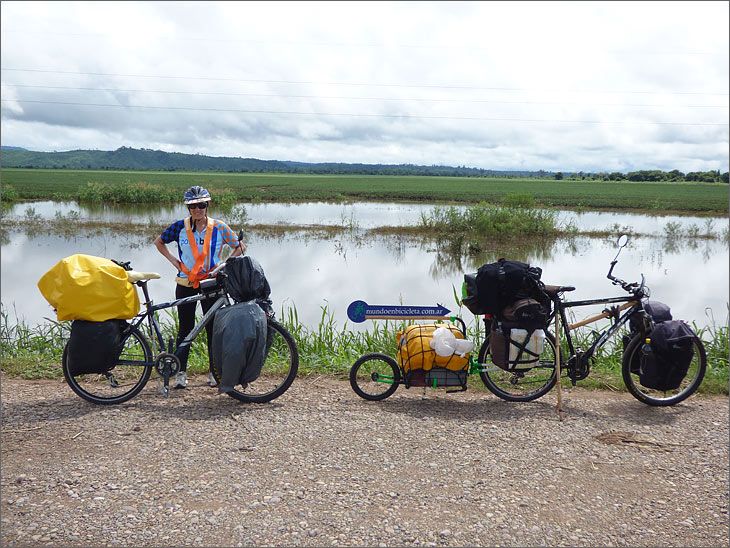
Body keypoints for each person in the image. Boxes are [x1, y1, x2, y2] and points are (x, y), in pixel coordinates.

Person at [154, 185, 245, 388]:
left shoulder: (219, 227)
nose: (198, 209)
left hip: (211, 284)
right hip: (185, 283)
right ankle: (180, 373)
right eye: (193, 206)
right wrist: (174, 263)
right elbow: (159, 242)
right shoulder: (179, 227)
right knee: (185, 329)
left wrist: (223, 265)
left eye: (201, 205)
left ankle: (214, 372)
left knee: (213, 329)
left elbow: (239, 247)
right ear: (188, 208)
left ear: (207, 205)